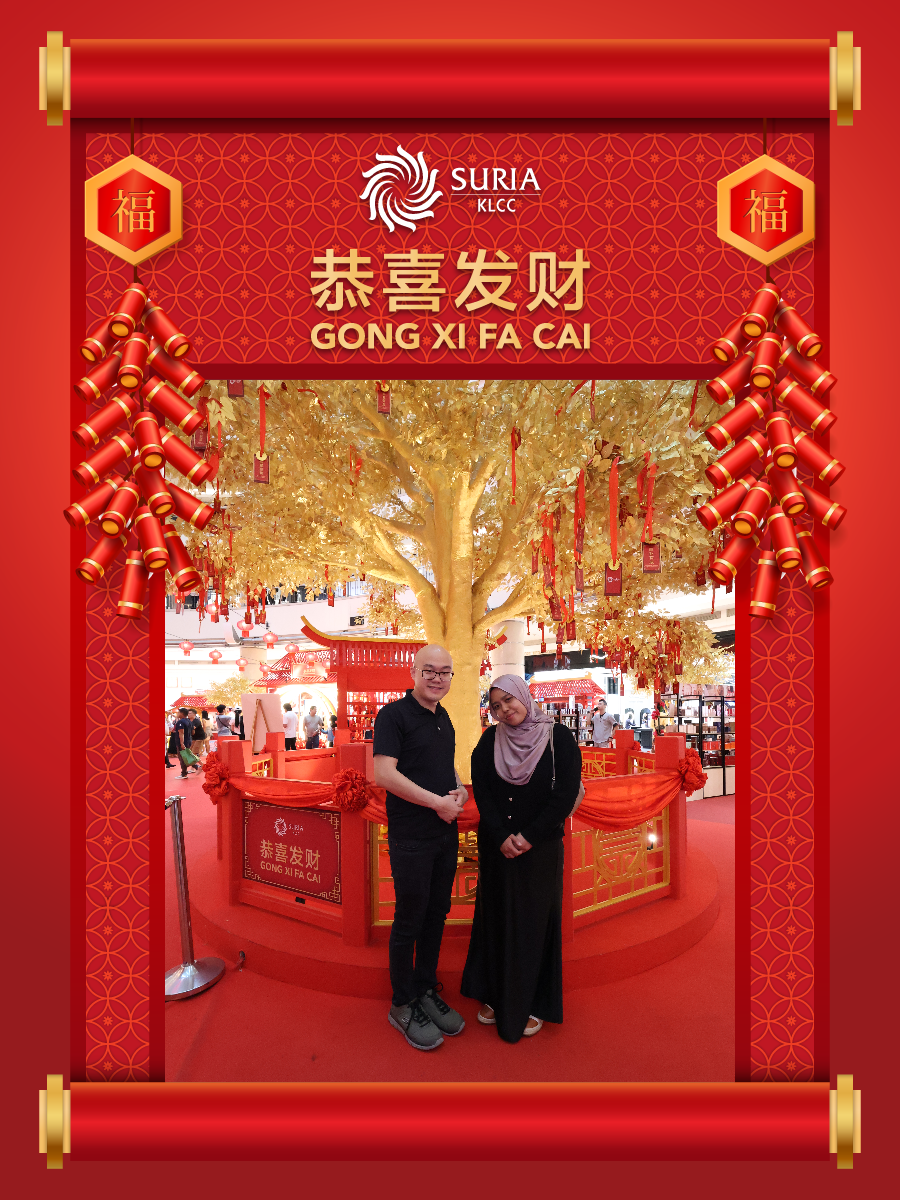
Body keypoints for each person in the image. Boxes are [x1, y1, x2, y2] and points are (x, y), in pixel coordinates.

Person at [461, 674, 582, 1043]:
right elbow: (483, 792)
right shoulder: (489, 741)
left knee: (533, 921)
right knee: (495, 916)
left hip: (540, 849)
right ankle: (493, 993)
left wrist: (528, 837)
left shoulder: (558, 738)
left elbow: (564, 795)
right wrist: (501, 836)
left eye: (508, 700)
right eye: (496, 706)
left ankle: (531, 1001)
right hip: (497, 848)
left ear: (523, 697)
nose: (504, 710)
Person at [373, 644, 469, 1051]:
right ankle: (402, 1001)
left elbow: (442, 767)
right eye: (429, 670)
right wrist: (436, 803)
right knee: (410, 919)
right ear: (414, 672)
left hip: (445, 833)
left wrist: (459, 789)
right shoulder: (393, 716)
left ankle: (426, 987)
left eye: (445, 672)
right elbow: (383, 774)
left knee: (437, 913)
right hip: (411, 835)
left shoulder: (443, 717)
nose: (437, 678)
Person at [173, 707, 199, 778]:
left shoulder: (180, 722)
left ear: (182, 713)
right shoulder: (189, 721)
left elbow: (181, 733)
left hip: (183, 742)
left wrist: (182, 743)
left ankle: (184, 773)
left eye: (178, 712)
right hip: (188, 741)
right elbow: (193, 732)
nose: (177, 714)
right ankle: (196, 766)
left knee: (182, 758)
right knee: (187, 756)